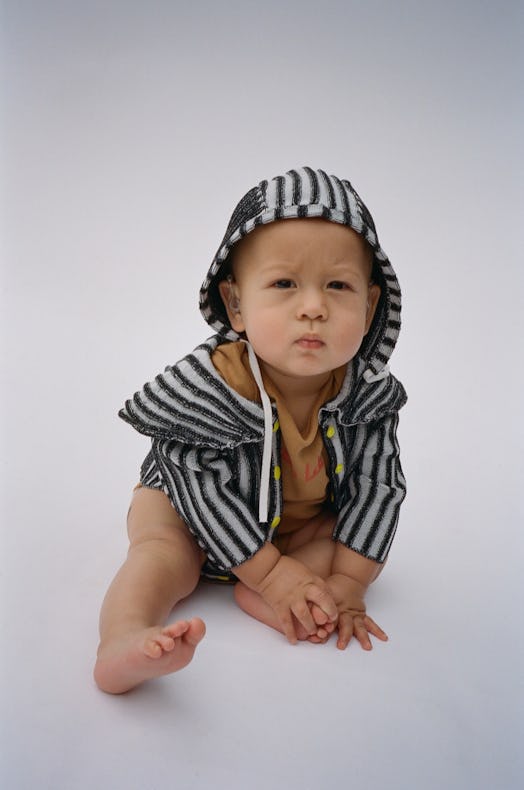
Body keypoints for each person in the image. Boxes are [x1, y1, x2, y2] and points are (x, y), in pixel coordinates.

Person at [94, 167, 407, 694]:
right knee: (162, 556)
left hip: (290, 523)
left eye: (338, 285)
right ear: (236, 304)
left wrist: (351, 585)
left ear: (371, 304)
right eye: (285, 284)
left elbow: (379, 488)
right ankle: (122, 641)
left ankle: (301, 595)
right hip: (189, 511)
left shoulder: (367, 397)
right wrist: (268, 571)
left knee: (341, 534)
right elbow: (195, 482)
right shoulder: (208, 388)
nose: (313, 307)